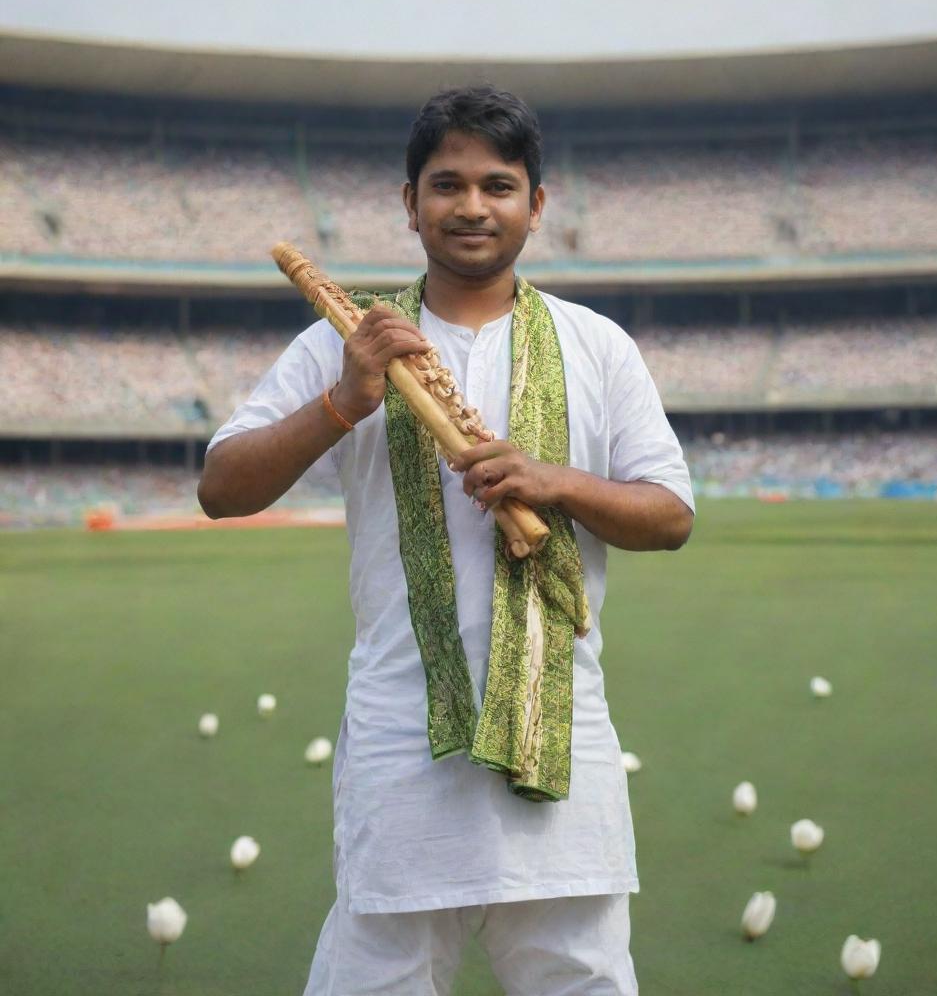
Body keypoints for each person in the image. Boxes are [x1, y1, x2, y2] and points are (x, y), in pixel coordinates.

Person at [198, 85, 695, 996]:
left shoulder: (598, 345)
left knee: (580, 977)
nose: (472, 206)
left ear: (536, 205)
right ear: (410, 203)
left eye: (499, 186)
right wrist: (346, 402)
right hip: (403, 742)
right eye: (447, 184)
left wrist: (557, 483)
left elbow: (671, 515)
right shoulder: (348, 341)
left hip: (563, 737)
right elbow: (222, 488)